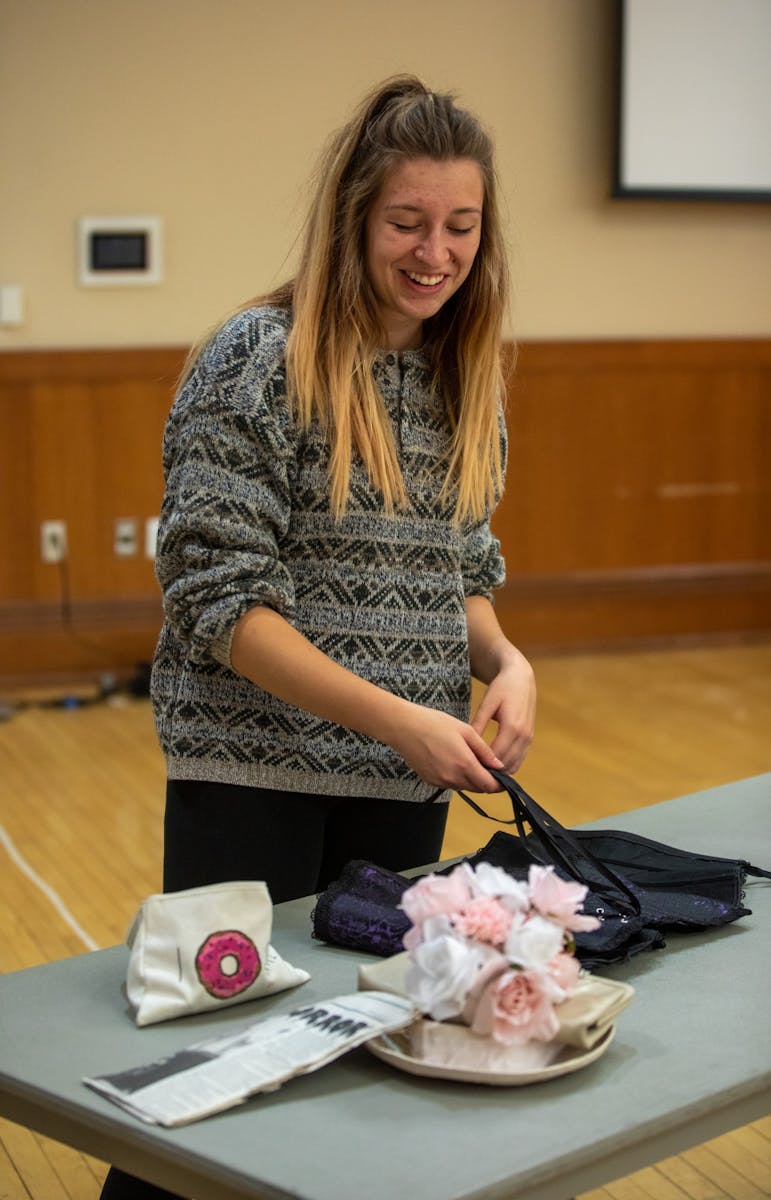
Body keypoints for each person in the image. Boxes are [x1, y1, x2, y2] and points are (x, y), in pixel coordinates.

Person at [99, 74, 535, 1199]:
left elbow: (457, 576)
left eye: (458, 225)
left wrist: (506, 661)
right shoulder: (254, 359)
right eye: (404, 222)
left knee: (357, 1066)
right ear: (352, 219)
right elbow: (219, 604)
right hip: (253, 776)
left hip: (403, 778)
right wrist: (401, 721)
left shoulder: (465, 375)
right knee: (207, 1093)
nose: (432, 252)